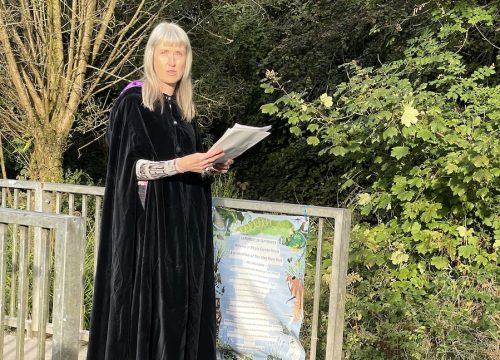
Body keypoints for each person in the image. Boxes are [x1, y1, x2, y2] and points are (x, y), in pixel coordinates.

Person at [87, 22, 233, 360]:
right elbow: (132, 168)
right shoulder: (133, 102)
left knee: (183, 314)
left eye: (178, 53)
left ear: (187, 60)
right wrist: (182, 164)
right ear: (151, 57)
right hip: (149, 234)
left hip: (186, 236)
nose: (172, 61)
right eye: (164, 52)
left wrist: (211, 165)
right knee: (152, 314)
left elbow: (190, 165)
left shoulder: (184, 110)